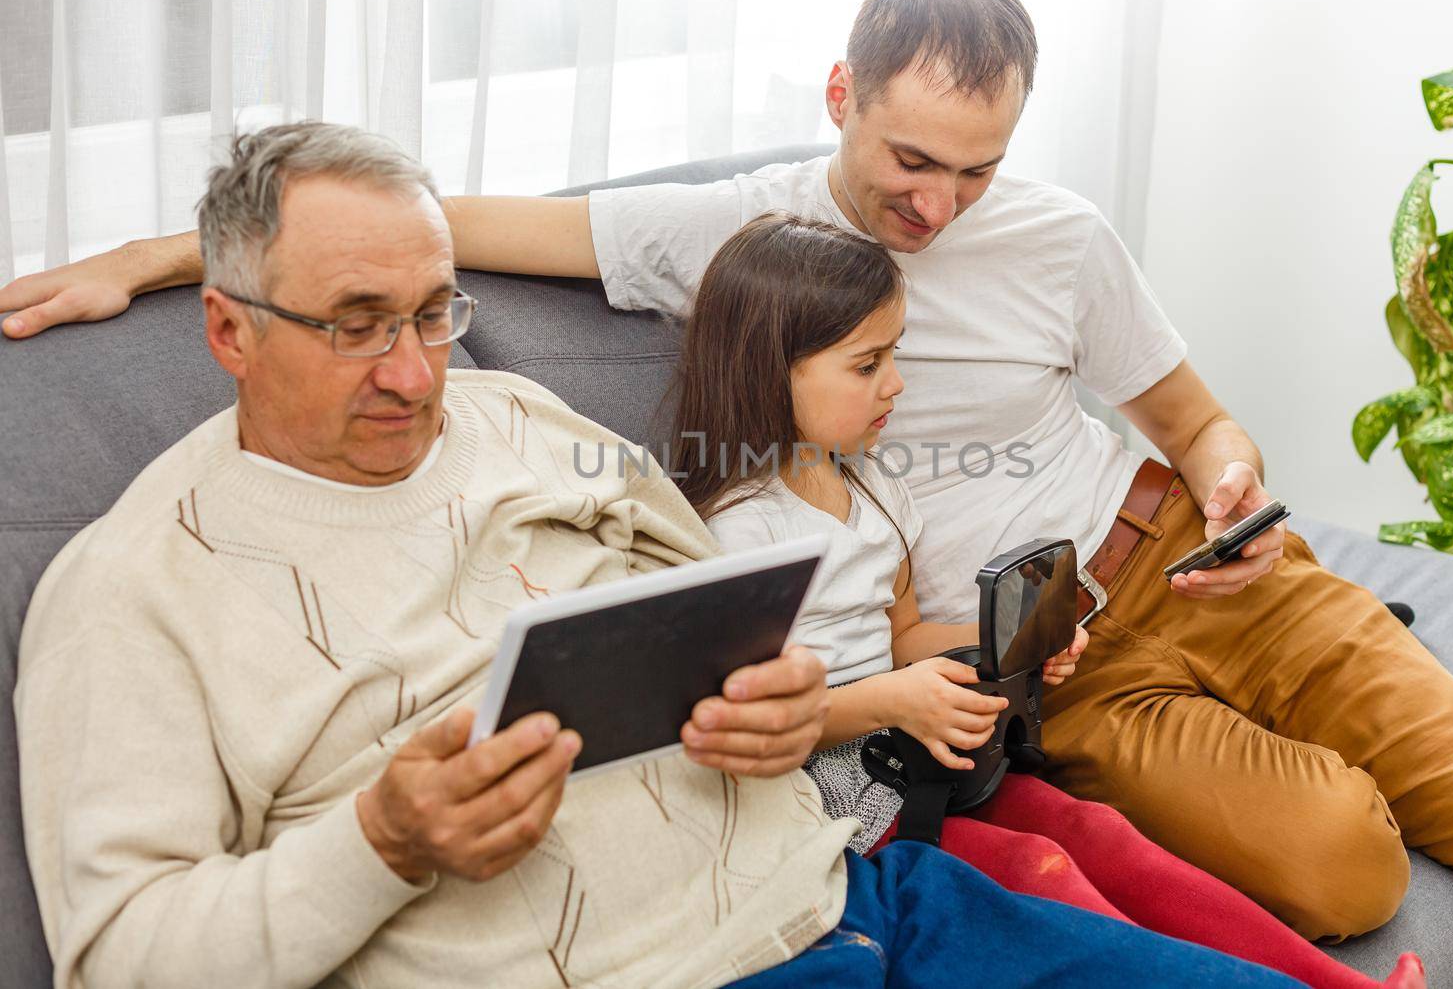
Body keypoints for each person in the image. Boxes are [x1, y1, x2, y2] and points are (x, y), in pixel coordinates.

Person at [6, 0, 1453, 987]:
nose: (941, 205)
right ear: (843, 101)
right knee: (1343, 856)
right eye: (911, 163)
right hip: (986, 722)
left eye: (434, 318)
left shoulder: (549, 430)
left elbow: (1182, 417)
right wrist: (147, 253)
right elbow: (470, 222)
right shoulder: (136, 586)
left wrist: (1236, 485)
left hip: (1130, 609)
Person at [14, 122, 1302, 989]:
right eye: (357, 327)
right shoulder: (134, 591)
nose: (417, 374)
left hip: (860, 899)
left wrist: (784, 698)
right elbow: (120, 952)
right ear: (229, 331)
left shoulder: (518, 420)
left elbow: (724, 622)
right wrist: (381, 838)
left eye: (431, 313)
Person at [674, 211, 1424, 989]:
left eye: (896, 352)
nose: (896, 381)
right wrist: (891, 701)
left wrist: (1015, 644)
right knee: (1044, 868)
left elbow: (905, 637)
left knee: (1106, 835)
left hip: (929, 759)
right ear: (771, 370)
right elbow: (744, 726)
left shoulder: (876, 488)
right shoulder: (740, 531)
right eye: (868, 364)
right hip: (839, 809)